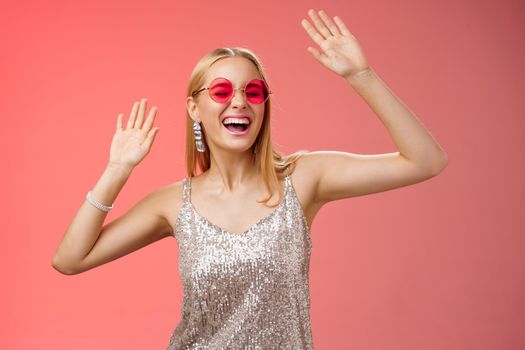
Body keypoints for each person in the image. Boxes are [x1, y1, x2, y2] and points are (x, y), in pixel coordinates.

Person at [52, 9, 448, 350]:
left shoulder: (304, 178)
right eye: (222, 90)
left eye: (253, 91)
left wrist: (362, 75)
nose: (239, 101)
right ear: (195, 107)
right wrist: (117, 171)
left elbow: (425, 161)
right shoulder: (174, 203)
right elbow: (69, 260)